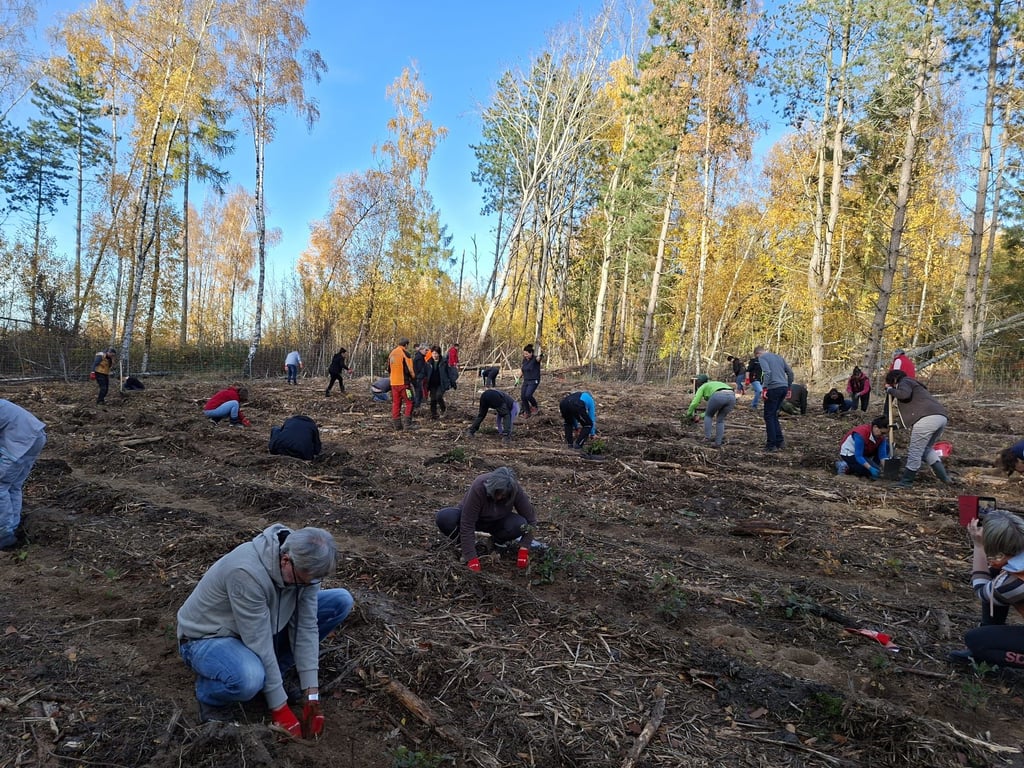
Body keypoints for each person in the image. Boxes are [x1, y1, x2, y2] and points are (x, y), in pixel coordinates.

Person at [176, 524, 354, 731]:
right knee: (249, 678)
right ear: (286, 560)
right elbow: (258, 641)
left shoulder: (305, 568)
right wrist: (279, 707)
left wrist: (311, 695)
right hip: (208, 638)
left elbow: (305, 627)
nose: (310, 585)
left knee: (340, 600)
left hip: (262, 626)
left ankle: (273, 675)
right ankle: (210, 696)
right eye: (305, 582)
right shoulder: (245, 572)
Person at [948, 510, 1024, 669]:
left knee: (977, 642)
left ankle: (985, 659)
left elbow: (983, 591)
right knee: (996, 573)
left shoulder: (1013, 582)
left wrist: (978, 546)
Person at [435, 467, 538, 572]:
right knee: (445, 518)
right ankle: (463, 544)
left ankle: (496, 542)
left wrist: (524, 548)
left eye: (503, 495)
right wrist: (471, 558)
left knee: (519, 524)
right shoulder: (479, 487)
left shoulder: (514, 490)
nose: (499, 498)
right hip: (473, 519)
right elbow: (467, 523)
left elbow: (531, 520)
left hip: (498, 522)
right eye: (497, 494)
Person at [884, 369, 949, 487]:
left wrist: (890, 390)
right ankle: (945, 478)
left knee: (915, 451)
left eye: (892, 384)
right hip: (940, 417)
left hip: (927, 419)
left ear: (894, 380)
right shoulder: (915, 385)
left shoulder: (904, 382)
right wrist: (897, 425)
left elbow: (904, 394)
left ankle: (906, 481)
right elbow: (914, 411)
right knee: (926, 450)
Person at [0, 400, 46, 551]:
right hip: (35, 435)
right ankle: (12, 527)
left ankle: (4, 536)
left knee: (1, 485)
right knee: (13, 486)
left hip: (20, 440)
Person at [753, 345, 793, 452]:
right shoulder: (778, 357)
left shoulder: (762, 358)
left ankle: (771, 444)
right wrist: (788, 387)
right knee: (774, 414)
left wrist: (764, 387)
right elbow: (790, 372)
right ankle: (780, 441)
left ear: (758, 354)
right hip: (783, 387)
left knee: (769, 416)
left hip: (773, 388)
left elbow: (767, 372)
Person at [685, 378, 735, 448]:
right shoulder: (714, 383)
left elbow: (695, 403)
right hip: (732, 396)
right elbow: (712, 410)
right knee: (720, 420)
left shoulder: (702, 387)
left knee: (708, 416)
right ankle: (718, 443)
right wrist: (700, 416)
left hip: (718, 395)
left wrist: (689, 414)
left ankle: (707, 438)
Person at [388, 338, 417, 431]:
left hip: (393, 384)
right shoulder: (405, 353)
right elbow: (410, 369)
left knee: (396, 403)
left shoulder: (392, 353)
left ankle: (397, 425)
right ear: (406, 345)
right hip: (404, 384)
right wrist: (414, 378)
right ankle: (407, 424)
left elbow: (388, 368)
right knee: (410, 402)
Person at [426, 345, 454, 419]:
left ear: (439, 353)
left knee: (438, 396)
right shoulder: (429, 362)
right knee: (433, 399)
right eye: (433, 354)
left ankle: (443, 409)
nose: (434, 355)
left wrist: (452, 382)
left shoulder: (444, 362)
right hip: (432, 383)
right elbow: (425, 373)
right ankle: (433, 413)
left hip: (441, 383)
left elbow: (449, 372)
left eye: (436, 353)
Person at [519, 344, 541, 418]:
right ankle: (527, 412)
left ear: (531, 353)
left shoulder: (535, 359)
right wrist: (518, 378)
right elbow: (522, 369)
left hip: (534, 380)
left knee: (528, 395)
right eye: (524, 354)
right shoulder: (524, 360)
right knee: (523, 396)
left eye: (527, 354)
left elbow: (539, 359)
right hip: (526, 380)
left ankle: (534, 406)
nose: (525, 355)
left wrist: (539, 356)